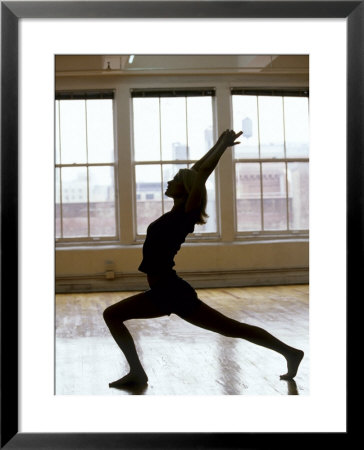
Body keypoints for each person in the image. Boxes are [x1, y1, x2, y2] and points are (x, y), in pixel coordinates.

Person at [103, 130, 304, 388]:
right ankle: (290, 352)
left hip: (170, 291)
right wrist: (220, 144)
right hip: (168, 290)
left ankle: (137, 373)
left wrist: (220, 149)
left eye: (175, 180)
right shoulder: (178, 211)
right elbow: (197, 171)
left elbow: (199, 175)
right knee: (232, 328)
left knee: (113, 315)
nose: (169, 181)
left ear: (185, 190)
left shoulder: (185, 214)